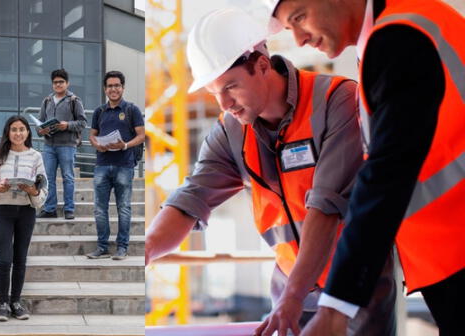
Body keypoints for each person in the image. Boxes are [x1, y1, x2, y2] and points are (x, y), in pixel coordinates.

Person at [145, 8, 396, 335]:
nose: (224, 104)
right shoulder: (232, 131)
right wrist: (145, 249)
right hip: (289, 290)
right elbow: (192, 199)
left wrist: (291, 298)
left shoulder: (335, 102)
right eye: (214, 93)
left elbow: (326, 207)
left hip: (351, 291)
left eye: (231, 87)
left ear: (262, 65)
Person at [265, 0, 465, 334]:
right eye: (289, 28)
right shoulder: (405, 25)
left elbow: (386, 175)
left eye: (300, 18)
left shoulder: (398, 38)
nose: (299, 40)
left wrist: (335, 307)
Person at [0, 115, 48, 322]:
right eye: (14, 129)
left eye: (22, 129)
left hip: (26, 211)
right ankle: (2, 303)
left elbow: (44, 187)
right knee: (4, 259)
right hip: (2, 210)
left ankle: (16, 302)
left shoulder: (36, 156)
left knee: (20, 259)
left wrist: (34, 191)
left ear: (28, 132)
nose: (18, 133)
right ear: (8, 133)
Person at [85, 71, 145, 260]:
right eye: (110, 86)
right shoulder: (99, 112)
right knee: (99, 208)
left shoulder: (131, 110)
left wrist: (125, 145)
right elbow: (92, 134)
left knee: (124, 208)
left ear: (123, 87)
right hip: (102, 164)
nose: (113, 89)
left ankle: (122, 248)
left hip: (124, 165)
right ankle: (102, 246)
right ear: (105, 89)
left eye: (117, 85)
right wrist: (96, 144)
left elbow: (142, 135)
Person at [36, 69, 87, 220]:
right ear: (52, 84)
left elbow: (83, 122)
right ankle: (50, 209)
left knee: (68, 177)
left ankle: (69, 209)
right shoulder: (47, 101)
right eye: (55, 82)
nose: (58, 85)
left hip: (67, 145)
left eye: (61, 82)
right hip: (49, 145)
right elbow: (39, 125)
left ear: (67, 83)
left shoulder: (74, 100)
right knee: (48, 178)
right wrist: (41, 130)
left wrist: (68, 125)